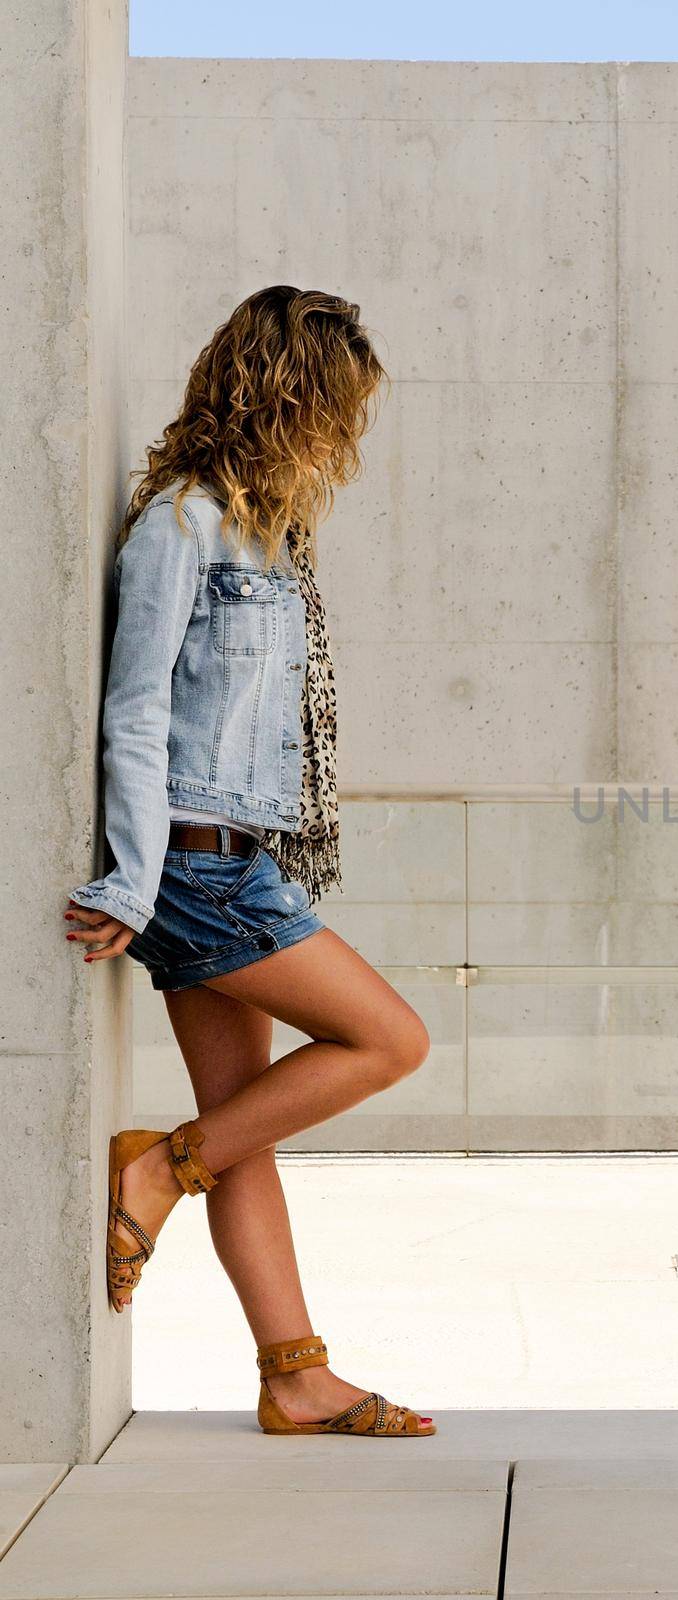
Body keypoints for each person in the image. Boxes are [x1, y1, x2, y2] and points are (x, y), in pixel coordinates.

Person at [66, 286, 435, 1439]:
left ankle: (293, 1376)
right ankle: (157, 1167)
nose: (339, 440)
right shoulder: (181, 521)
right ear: (282, 396)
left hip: (233, 853)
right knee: (391, 1039)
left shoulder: (264, 531)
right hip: (193, 865)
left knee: (245, 1122)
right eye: (331, 410)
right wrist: (132, 876)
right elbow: (131, 711)